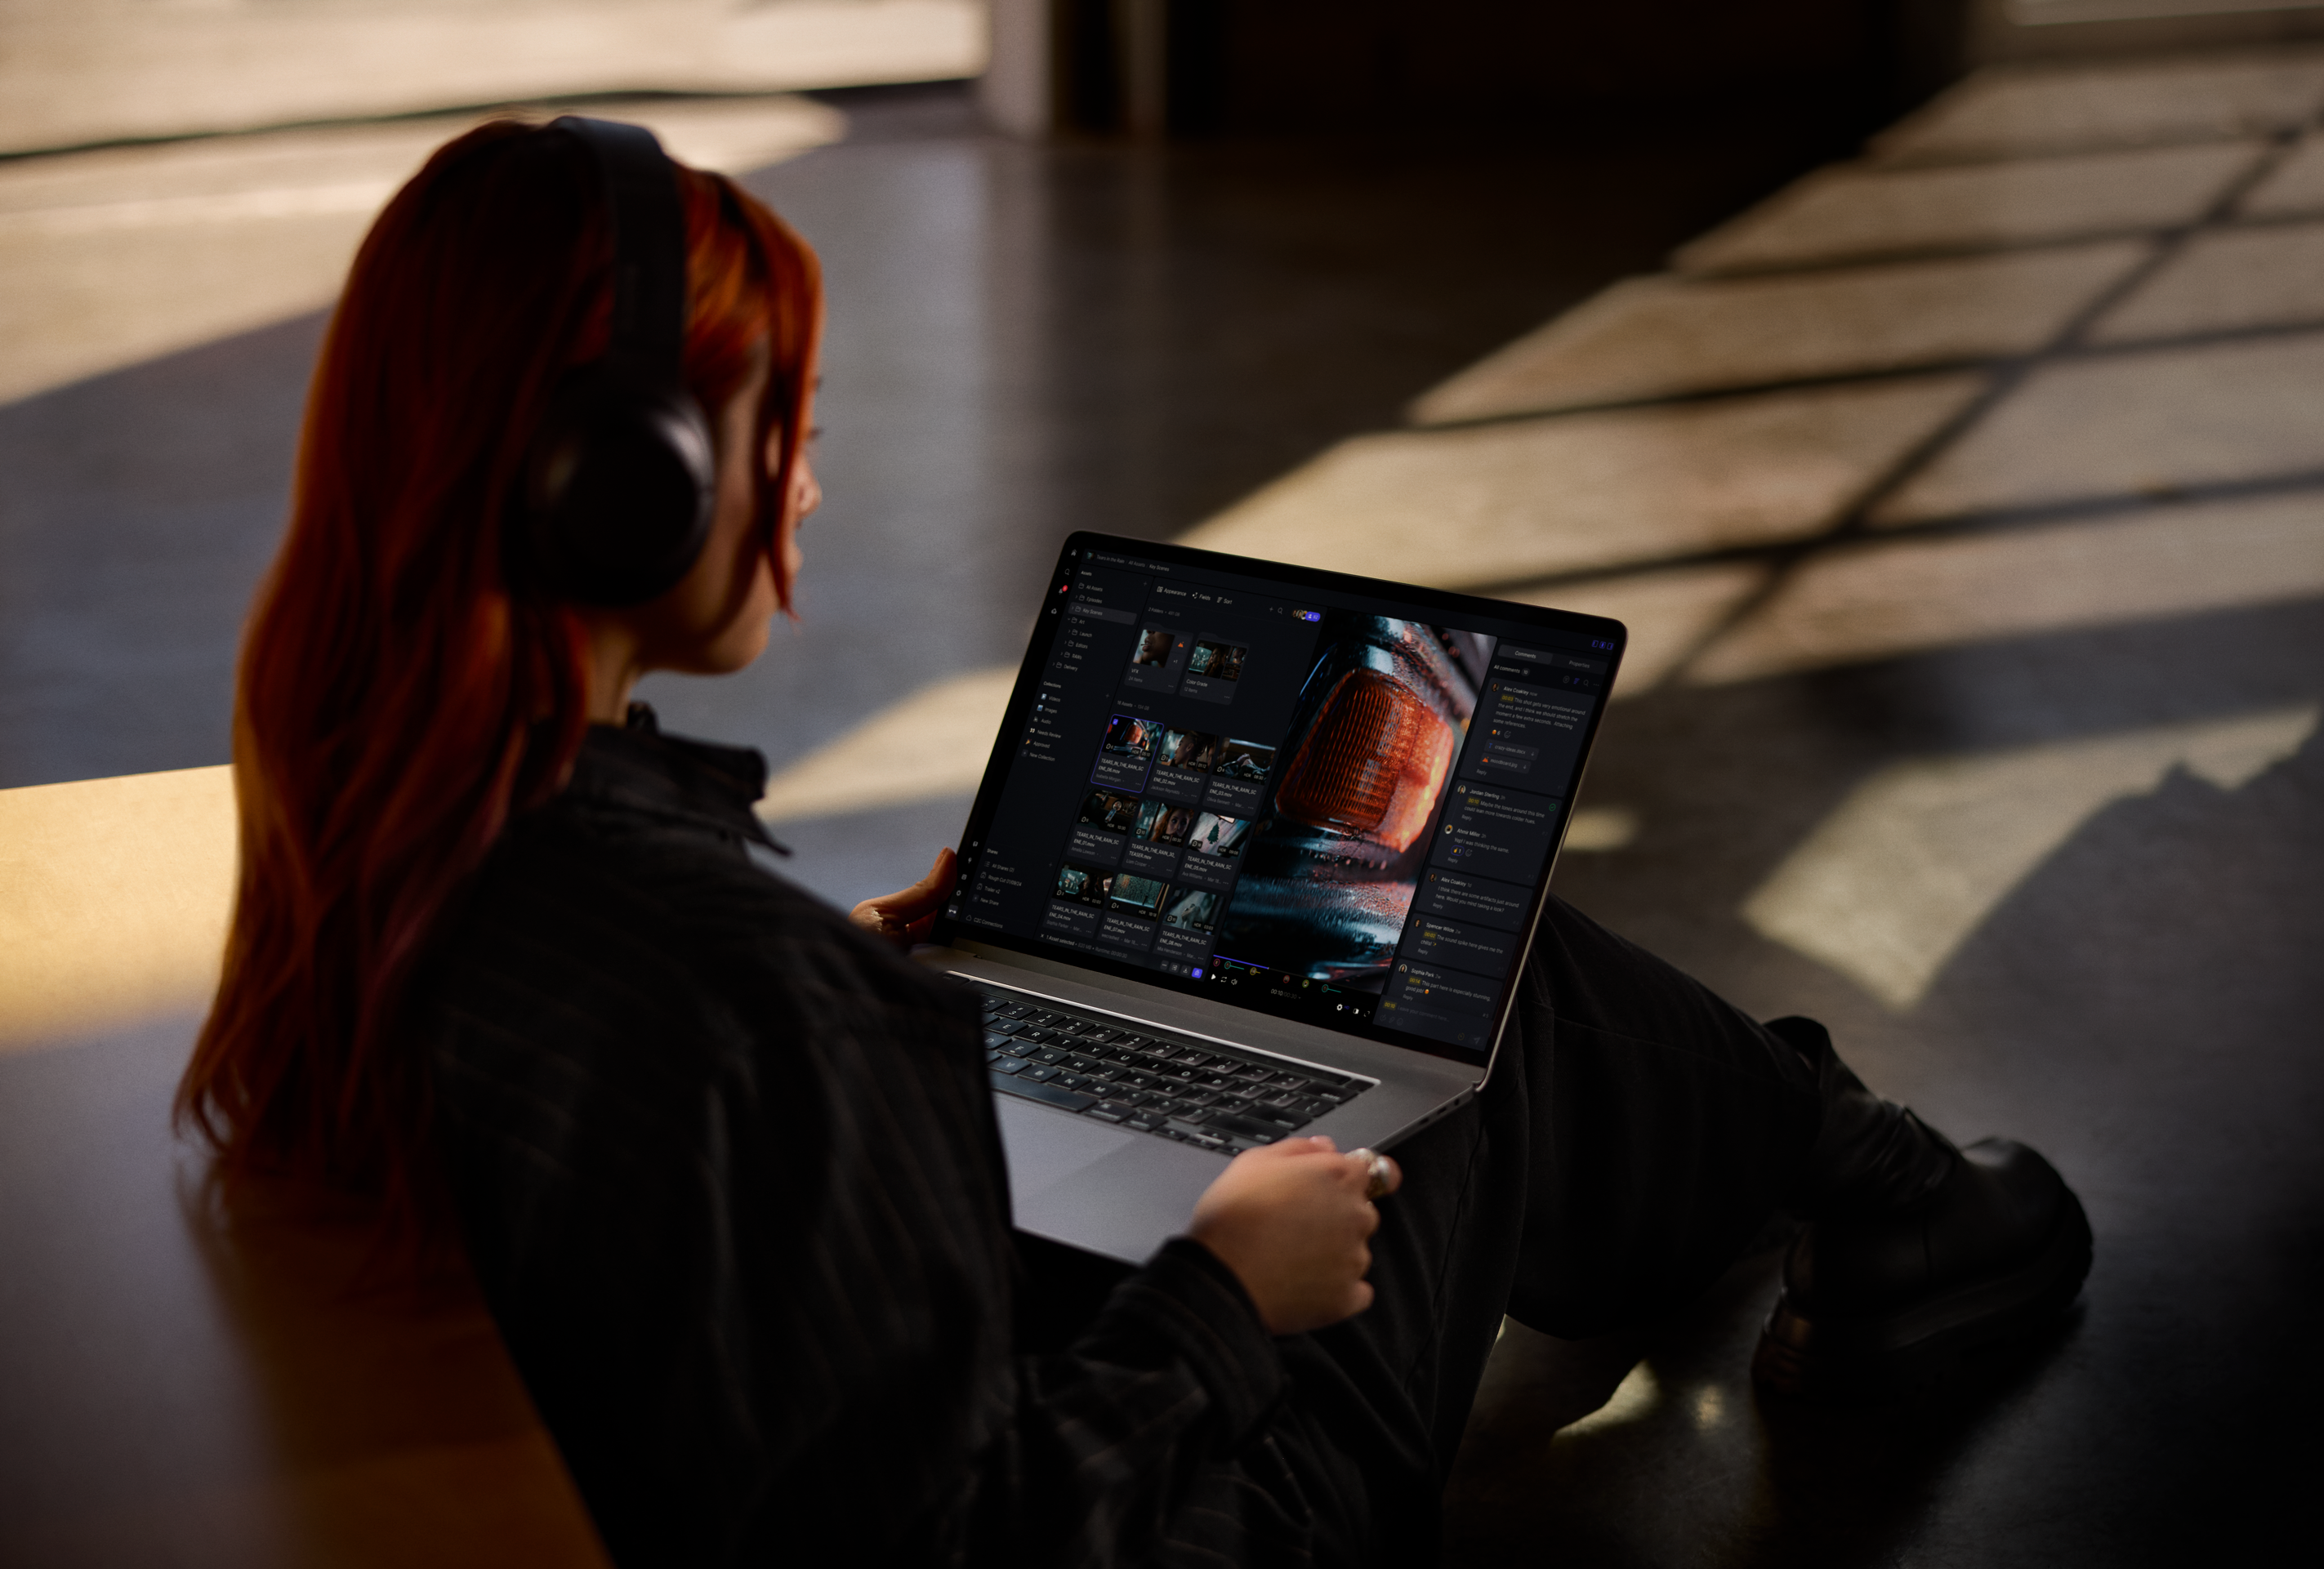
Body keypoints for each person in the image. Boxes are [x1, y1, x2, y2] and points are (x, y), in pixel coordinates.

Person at [176, 120, 2092, 1568]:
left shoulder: (380, 802)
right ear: (630, 480)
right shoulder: (750, 999)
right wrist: (1223, 1290)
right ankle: (1875, 1191)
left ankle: (1788, 1178)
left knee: (1324, 987)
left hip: (720, 1428)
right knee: (1461, 979)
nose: (814, 483)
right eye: (795, 426)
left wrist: (870, 997)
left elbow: (684, 1113)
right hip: (1193, 1516)